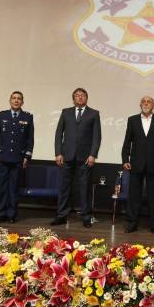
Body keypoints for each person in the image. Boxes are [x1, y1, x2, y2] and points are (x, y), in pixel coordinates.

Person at [53, 87, 101, 227]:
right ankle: (61, 215)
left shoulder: (94, 114)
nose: (80, 97)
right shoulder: (66, 112)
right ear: (73, 98)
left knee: (85, 188)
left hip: (85, 158)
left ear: (86, 98)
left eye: (82, 95)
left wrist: (93, 154)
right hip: (66, 156)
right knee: (64, 188)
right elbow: (58, 134)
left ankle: (86, 217)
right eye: (77, 95)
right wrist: (58, 153)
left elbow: (96, 137)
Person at [122, 96, 154, 234]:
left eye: (149, 102)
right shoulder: (132, 120)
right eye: (143, 101)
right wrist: (125, 159)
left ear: (153, 105)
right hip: (135, 163)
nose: (146, 104)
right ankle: (132, 223)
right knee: (134, 196)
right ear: (140, 104)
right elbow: (127, 142)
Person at [0, 91, 34, 223]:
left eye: (19, 99)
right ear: (10, 100)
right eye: (14, 98)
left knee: (14, 188)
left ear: (22, 102)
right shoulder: (2, 115)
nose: (16, 101)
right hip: (3, 157)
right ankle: (0, 214)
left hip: (18, 158)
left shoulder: (28, 117)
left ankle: (11, 215)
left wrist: (27, 156)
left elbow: (29, 139)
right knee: (2, 187)